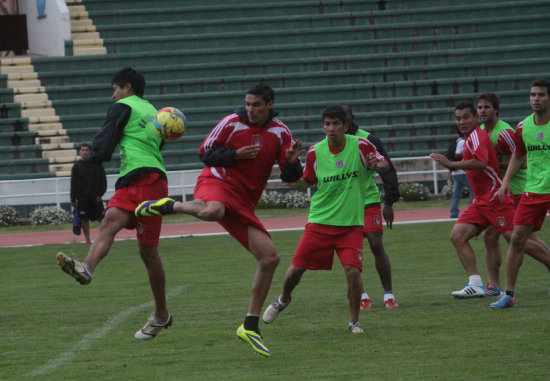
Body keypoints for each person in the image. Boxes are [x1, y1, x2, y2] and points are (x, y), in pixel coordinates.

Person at [135, 82, 304, 357]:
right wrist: (234, 155)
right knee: (214, 211)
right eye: (248, 104)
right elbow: (205, 154)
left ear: (269, 105)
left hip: (244, 201)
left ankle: (250, 326)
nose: (250, 109)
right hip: (217, 182)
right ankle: (171, 206)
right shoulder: (231, 123)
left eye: (256, 105)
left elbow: (289, 176)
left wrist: (293, 162)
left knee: (270, 257)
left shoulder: (281, 132)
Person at [56, 67, 173, 340]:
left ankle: (161, 314)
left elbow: (104, 144)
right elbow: (158, 145)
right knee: (111, 222)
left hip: (142, 180)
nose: (114, 95)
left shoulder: (122, 106)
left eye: (115, 89)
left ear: (127, 88)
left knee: (146, 251)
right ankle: (86, 268)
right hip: (149, 179)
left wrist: (91, 159)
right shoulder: (154, 111)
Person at [261, 104, 389, 334]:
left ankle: (354, 322)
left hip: (350, 224)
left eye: (336, 124)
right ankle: (282, 299)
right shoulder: (315, 152)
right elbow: (305, 182)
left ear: (345, 126)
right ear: (323, 127)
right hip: (320, 222)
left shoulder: (360, 145)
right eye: (327, 124)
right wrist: (291, 167)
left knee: (353, 272)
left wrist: (374, 165)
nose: (331, 129)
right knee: (295, 270)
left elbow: (383, 163)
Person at [430, 102, 544, 299]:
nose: (462, 122)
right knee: (458, 236)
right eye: (458, 118)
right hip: (482, 201)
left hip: (495, 198)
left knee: (517, 240)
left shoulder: (478, 136)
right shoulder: (471, 137)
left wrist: (451, 163)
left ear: (475, 118)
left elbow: (481, 162)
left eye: (466, 117)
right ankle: (476, 284)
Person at [477, 92, 550, 297]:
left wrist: (496, 171)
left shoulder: (505, 133)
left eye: (486, 107)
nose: (482, 111)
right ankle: (494, 285)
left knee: (517, 238)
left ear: (496, 110)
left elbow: (521, 159)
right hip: (503, 191)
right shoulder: (482, 131)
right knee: (492, 235)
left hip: (518, 189)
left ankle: (498, 287)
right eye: (480, 107)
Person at [342, 104, 400, 309]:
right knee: (352, 249)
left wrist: (389, 202)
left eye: (345, 120)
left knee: (376, 243)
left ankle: (388, 294)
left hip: (368, 200)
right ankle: (363, 294)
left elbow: (387, 168)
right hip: (345, 205)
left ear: (350, 119)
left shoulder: (369, 140)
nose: (341, 125)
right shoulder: (330, 144)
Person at [70, 142, 107, 245]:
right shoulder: (76, 166)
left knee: (102, 218)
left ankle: (106, 237)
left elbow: (103, 180)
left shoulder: (97, 164)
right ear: (79, 152)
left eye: (87, 150)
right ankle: (87, 239)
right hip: (82, 198)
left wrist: (100, 194)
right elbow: (73, 184)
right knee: (84, 220)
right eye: (83, 150)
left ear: (90, 151)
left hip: (96, 197)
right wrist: (73, 200)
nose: (85, 152)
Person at [447, 133, 474, 219]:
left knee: (456, 194)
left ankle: (453, 214)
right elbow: (457, 154)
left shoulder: (458, 141)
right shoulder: (462, 142)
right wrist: (468, 153)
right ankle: (471, 211)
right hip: (462, 171)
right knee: (473, 190)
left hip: (456, 172)